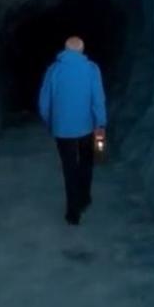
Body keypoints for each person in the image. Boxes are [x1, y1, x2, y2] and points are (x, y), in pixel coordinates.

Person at [37, 36, 107, 225]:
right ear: (82, 50)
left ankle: (72, 212)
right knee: (86, 163)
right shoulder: (91, 69)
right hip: (87, 127)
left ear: (65, 50)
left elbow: (44, 100)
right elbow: (98, 99)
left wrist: (49, 121)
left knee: (69, 168)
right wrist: (100, 123)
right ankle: (84, 197)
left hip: (62, 129)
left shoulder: (54, 70)